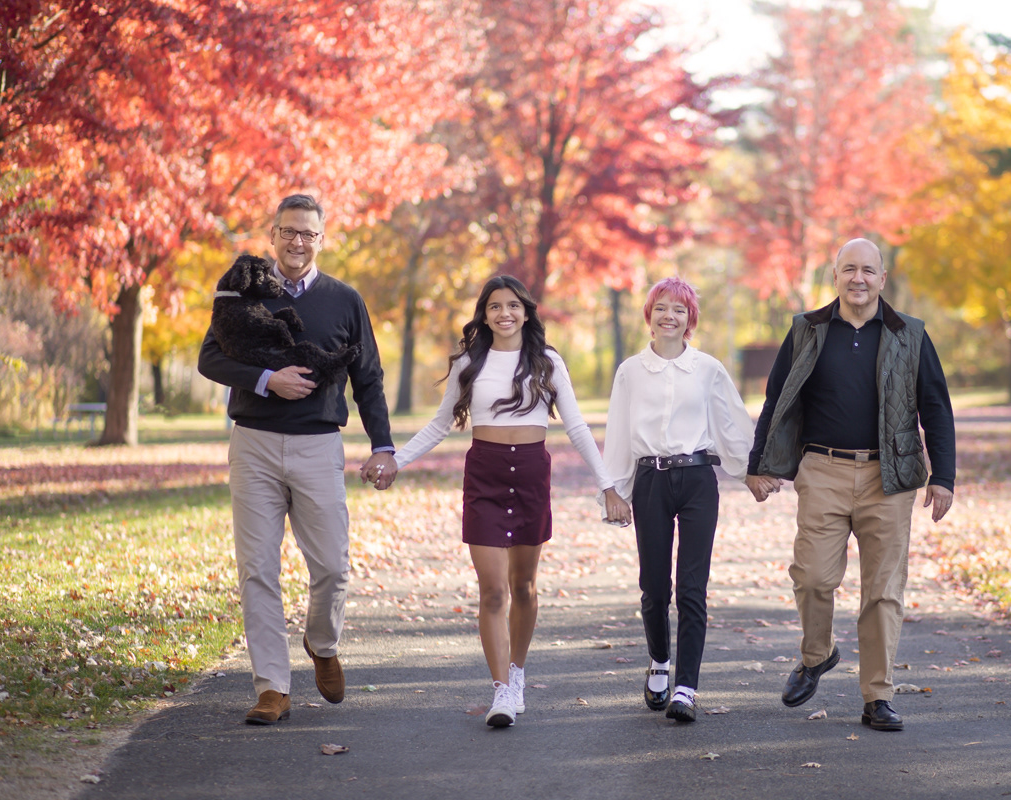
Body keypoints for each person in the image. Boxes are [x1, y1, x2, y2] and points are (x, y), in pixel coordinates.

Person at [389, 274, 630, 728]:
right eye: (495, 306)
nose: (505, 313)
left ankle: (517, 672)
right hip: (485, 475)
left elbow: (576, 427)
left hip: (532, 476)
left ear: (526, 311)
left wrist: (608, 484)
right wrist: (396, 461)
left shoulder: (547, 361)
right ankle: (501, 690)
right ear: (484, 314)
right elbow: (440, 424)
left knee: (523, 587)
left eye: (513, 305)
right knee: (493, 589)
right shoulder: (468, 363)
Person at [198, 194, 398, 725]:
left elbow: (369, 378)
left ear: (321, 239)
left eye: (308, 233)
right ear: (272, 234)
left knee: (333, 566)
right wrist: (266, 380)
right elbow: (210, 357)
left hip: (317, 446)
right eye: (288, 231)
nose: (297, 242)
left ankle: (322, 643)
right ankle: (272, 688)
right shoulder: (244, 293)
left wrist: (383, 446)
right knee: (257, 569)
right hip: (255, 444)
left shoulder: (345, 300)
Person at [746, 238, 955, 732]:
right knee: (814, 577)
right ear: (835, 276)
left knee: (883, 591)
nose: (857, 279)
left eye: (867, 270)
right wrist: (759, 464)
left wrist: (943, 476)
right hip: (823, 471)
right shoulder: (807, 330)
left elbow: (936, 407)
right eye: (848, 270)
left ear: (883, 279)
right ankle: (817, 654)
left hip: (892, 478)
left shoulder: (911, 334)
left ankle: (877, 697)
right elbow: (776, 400)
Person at [602, 278, 754, 723]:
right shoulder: (631, 371)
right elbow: (618, 431)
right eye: (662, 308)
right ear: (649, 315)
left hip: (697, 481)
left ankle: (686, 686)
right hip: (650, 480)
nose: (670, 316)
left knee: (692, 588)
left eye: (680, 310)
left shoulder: (707, 368)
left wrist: (751, 473)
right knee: (654, 588)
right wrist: (615, 490)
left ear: (691, 319)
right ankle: (660, 662)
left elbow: (732, 424)